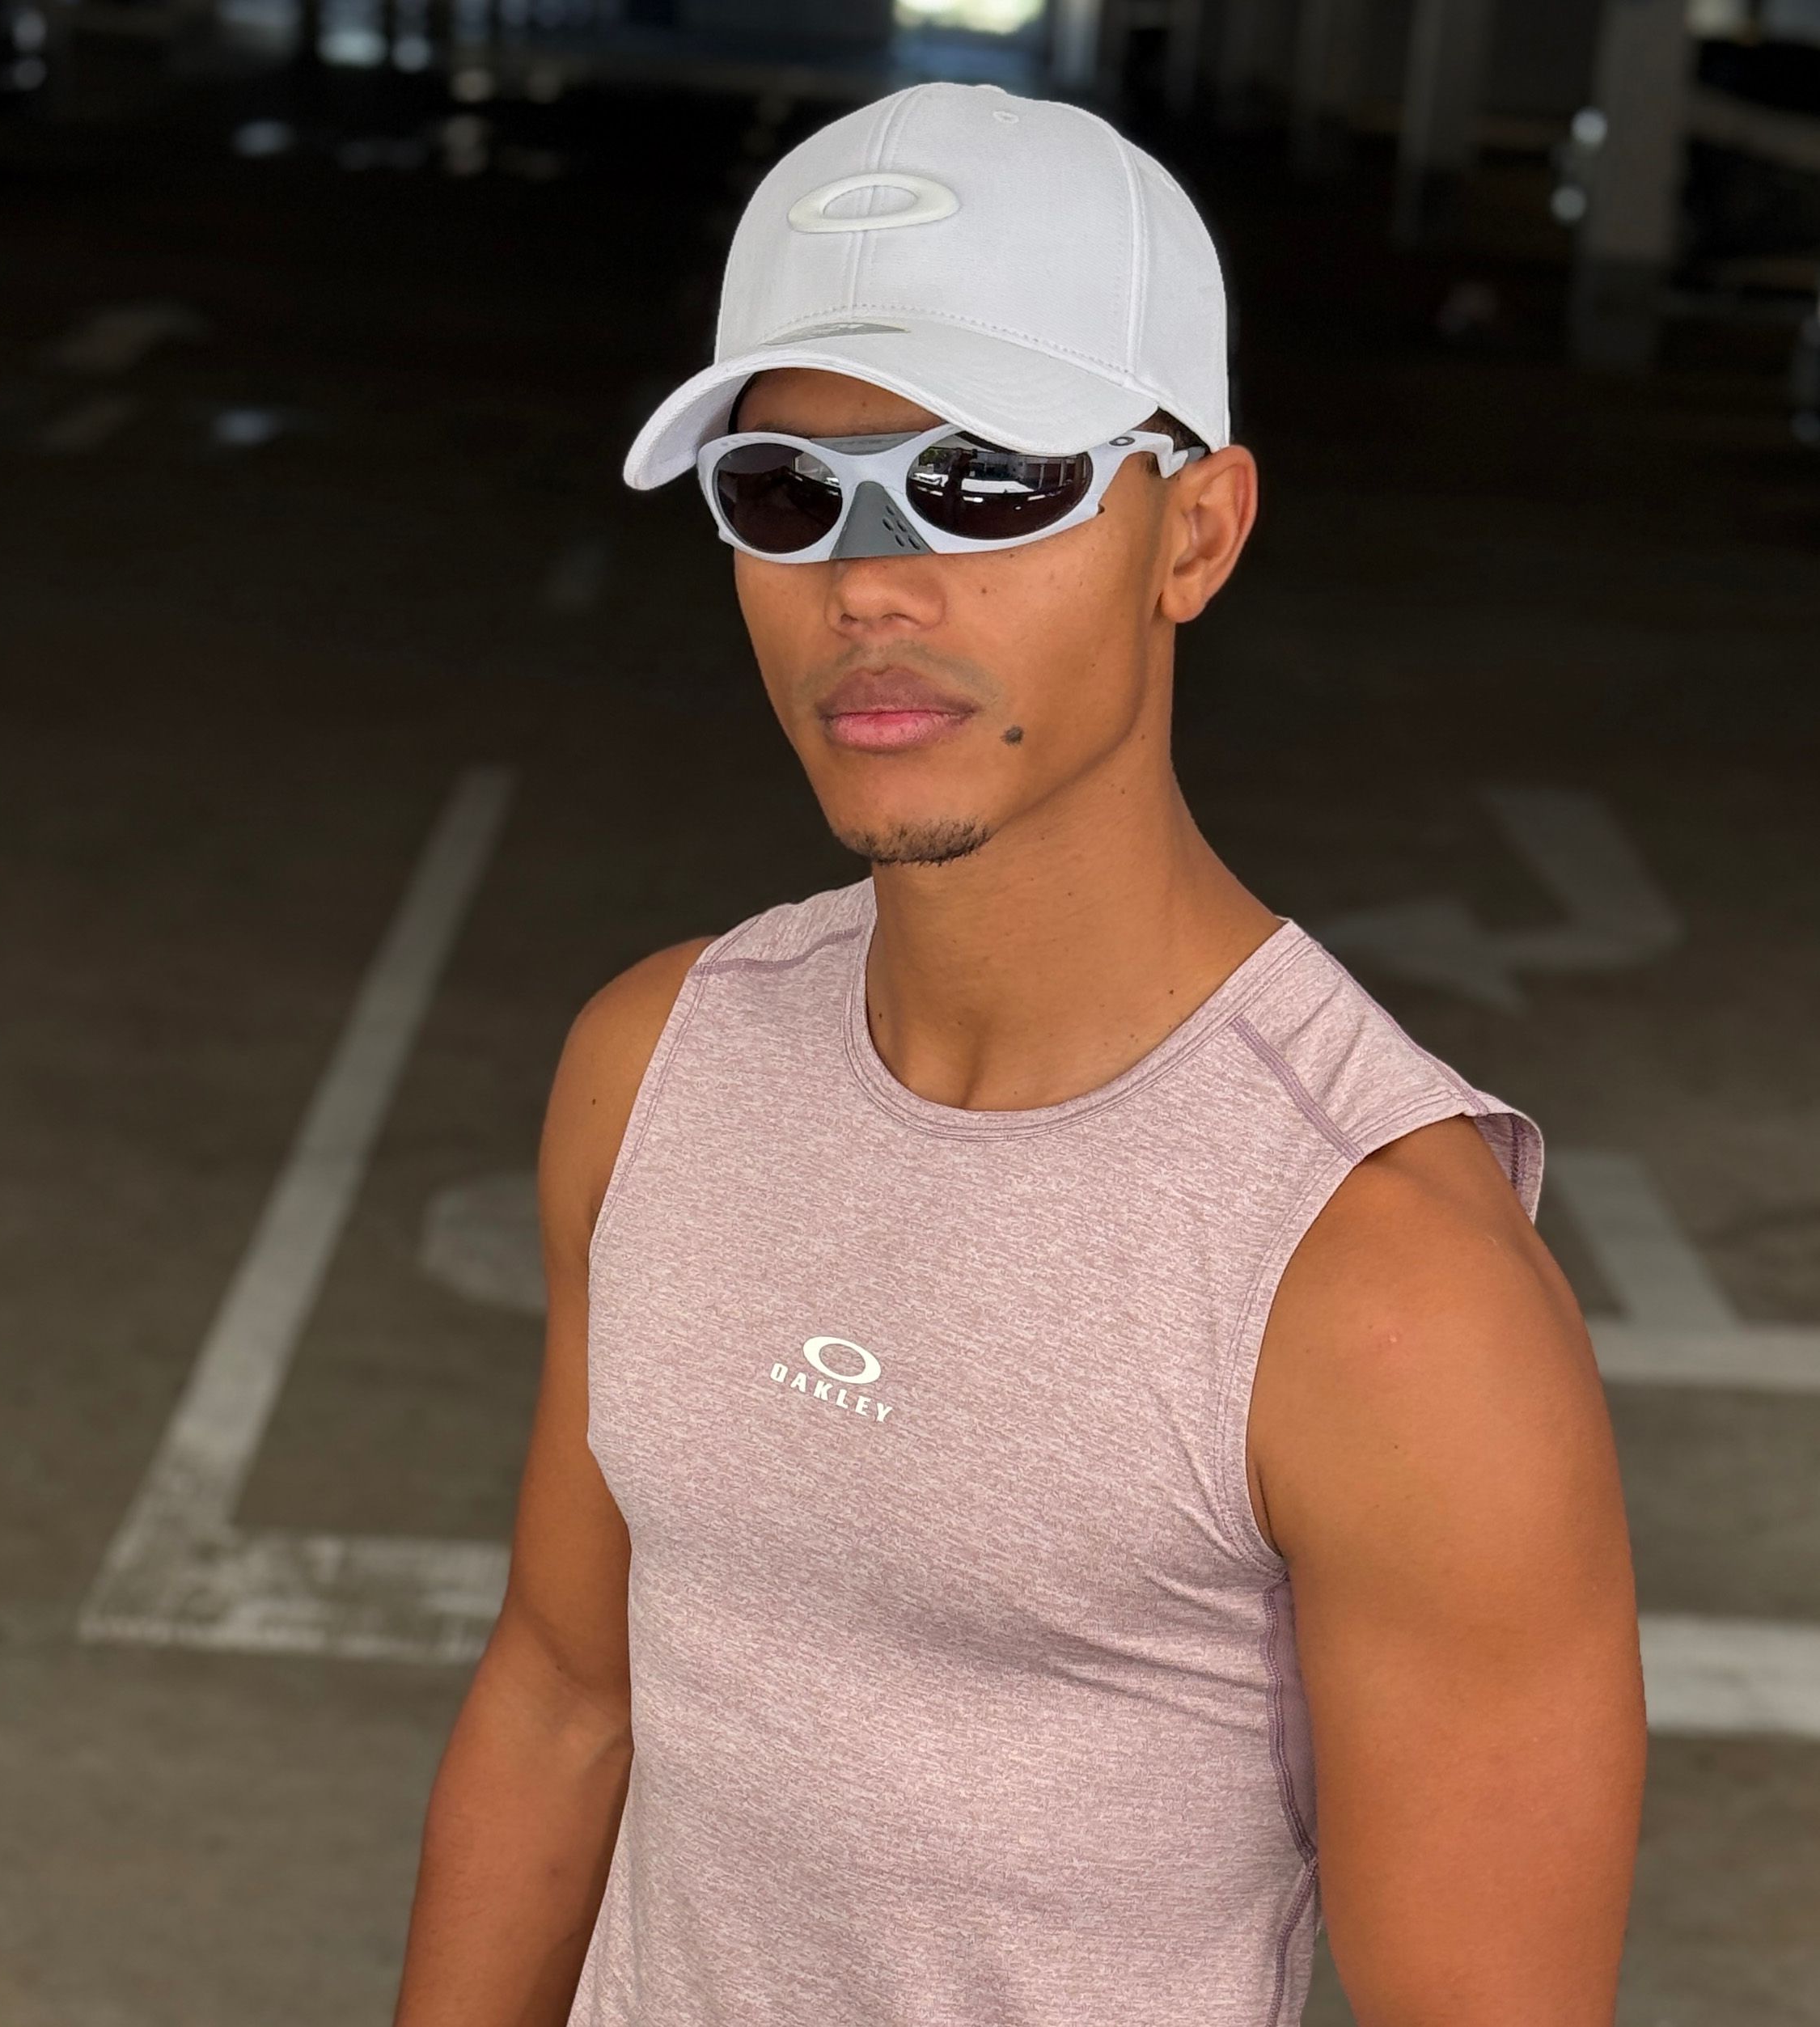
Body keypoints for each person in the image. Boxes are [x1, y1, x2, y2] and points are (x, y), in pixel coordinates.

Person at [392, 79, 1645, 2027]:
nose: (869, 586)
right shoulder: (651, 1067)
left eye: (985, 482)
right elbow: (563, 1702)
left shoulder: (1381, 1284)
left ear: (1194, 533)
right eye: (784, 493)